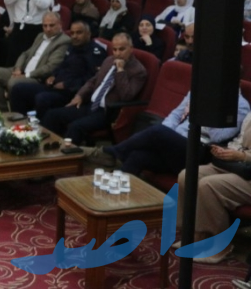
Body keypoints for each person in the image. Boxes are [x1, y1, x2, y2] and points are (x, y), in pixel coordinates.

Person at [91, 89, 249, 176]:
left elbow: (219, 137)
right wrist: (167, 135)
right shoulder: (199, 90)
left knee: (157, 132)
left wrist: (205, 111)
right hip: (175, 143)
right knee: (138, 156)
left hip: (198, 151)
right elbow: (175, 115)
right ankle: (114, 198)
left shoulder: (240, 106)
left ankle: (112, 153)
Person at [42, 33, 147, 145]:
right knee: (52, 115)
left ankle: (66, 154)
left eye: (122, 49)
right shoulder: (109, 60)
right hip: (91, 105)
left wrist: (120, 71)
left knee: (75, 127)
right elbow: (93, 81)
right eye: (114, 49)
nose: (117, 54)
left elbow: (127, 96)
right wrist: (80, 95)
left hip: (107, 112)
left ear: (131, 48)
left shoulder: (138, 71)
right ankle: (46, 148)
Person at [177, 114, 251, 264]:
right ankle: (196, 234)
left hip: (247, 173)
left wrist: (242, 156)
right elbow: (239, 140)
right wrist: (225, 151)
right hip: (237, 166)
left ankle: (220, 246)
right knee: (187, 176)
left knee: (208, 185)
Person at [9, 19, 106, 118]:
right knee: (18, 89)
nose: (74, 36)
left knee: (42, 98)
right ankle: (19, 122)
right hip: (54, 86)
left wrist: (67, 84)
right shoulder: (72, 47)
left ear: (88, 34)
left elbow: (92, 79)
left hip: (71, 92)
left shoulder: (95, 52)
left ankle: (39, 126)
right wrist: (53, 76)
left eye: (79, 33)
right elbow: (62, 65)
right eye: (72, 33)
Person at [0, 12, 71, 112]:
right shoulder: (40, 36)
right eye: (45, 26)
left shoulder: (64, 41)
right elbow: (25, 54)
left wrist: (26, 75)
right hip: (22, 71)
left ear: (60, 24)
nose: (48, 29)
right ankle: (1, 112)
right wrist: (18, 68)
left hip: (36, 77)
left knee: (14, 82)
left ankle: (16, 115)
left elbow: (50, 67)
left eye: (51, 25)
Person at [0, 0, 55, 67]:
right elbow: (7, 0)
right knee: (14, 59)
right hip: (19, 28)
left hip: (36, 29)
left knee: (31, 60)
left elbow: (44, 4)